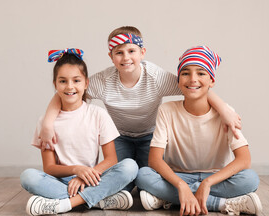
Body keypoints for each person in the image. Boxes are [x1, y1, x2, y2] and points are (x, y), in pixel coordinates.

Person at [39, 26, 242, 189]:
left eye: (131, 51)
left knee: (146, 181)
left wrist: (224, 109)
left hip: (149, 136)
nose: (126, 57)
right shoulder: (103, 81)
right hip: (119, 137)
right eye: (119, 53)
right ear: (111, 57)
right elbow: (70, 92)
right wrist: (48, 124)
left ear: (142, 52)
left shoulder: (156, 78)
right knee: (122, 184)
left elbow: (192, 87)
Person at [135, 46, 262, 216]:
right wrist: (181, 185)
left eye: (201, 73)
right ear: (178, 80)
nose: (193, 79)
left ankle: (168, 200)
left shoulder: (226, 113)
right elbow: (155, 160)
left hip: (216, 178)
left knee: (250, 179)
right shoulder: (167, 110)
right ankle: (222, 204)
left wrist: (207, 183)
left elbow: (244, 160)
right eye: (186, 73)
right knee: (143, 175)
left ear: (212, 81)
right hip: (178, 176)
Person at [20, 48, 138, 216]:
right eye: (62, 81)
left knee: (130, 166)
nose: (70, 87)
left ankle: (67, 204)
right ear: (55, 84)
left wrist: (84, 176)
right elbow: (49, 168)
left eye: (76, 80)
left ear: (86, 83)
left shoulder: (98, 114)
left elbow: (111, 159)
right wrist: (76, 170)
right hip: (61, 181)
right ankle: (98, 201)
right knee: (28, 177)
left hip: (92, 179)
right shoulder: (45, 122)